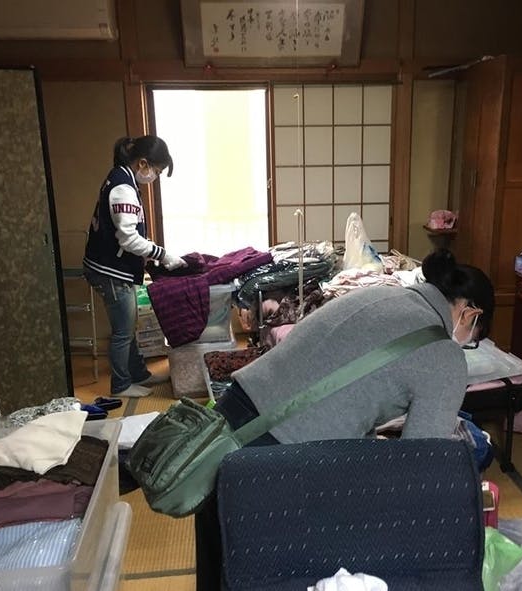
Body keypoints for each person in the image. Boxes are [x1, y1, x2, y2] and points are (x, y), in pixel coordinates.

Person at [194, 248, 494, 590]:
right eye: (475, 338)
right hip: (278, 454)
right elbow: (422, 463)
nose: (466, 343)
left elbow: (349, 382)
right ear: (471, 314)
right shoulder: (444, 354)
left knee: (219, 551)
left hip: (231, 413)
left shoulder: (382, 294)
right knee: (268, 571)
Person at [83, 135, 187, 398]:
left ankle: (138, 374)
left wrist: (151, 253)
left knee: (128, 327)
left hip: (111, 266)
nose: (155, 177)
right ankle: (121, 385)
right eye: (157, 171)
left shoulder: (122, 178)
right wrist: (163, 255)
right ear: (143, 163)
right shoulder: (123, 188)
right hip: (110, 270)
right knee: (123, 331)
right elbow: (128, 239)